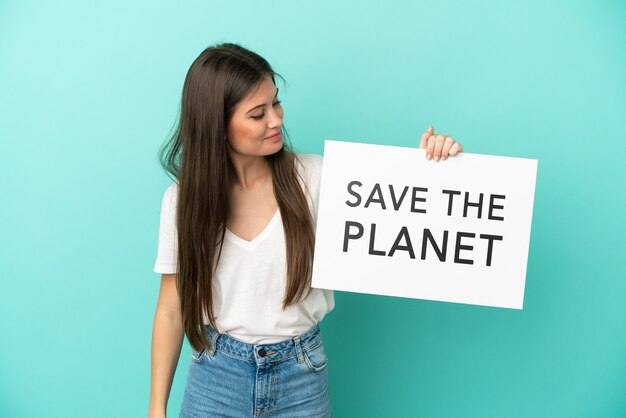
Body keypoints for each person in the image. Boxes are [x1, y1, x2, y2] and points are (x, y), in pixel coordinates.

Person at [147, 42, 463, 418]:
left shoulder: (315, 178)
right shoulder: (182, 202)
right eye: (257, 113)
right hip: (217, 377)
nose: (276, 120)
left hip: (301, 375)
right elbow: (171, 308)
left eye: (276, 103)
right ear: (216, 124)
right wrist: (156, 408)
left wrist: (434, 166)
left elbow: (400, 210)